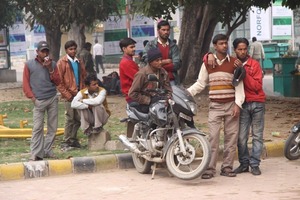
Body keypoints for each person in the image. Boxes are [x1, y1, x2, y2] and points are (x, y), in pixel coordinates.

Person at [187, 34, 245, 179]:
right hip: (215, 106)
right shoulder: (208, 63)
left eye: (226, 43)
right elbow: (201, 83)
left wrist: (238, 104)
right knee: (213, 138)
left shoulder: (235, 63)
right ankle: (210, 168)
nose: (224, 46)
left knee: (231, 139)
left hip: (231, 105)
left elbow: (239, 86)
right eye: (221, 44)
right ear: (215, 46)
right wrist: (187, 93)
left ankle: (227, 167)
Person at [231, 38, 266, 176]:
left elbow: (256, 86)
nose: (242, 51)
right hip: (242, 104)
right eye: (239, 49)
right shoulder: (233, 64)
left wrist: (243, 72)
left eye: (244, 49)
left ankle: (255, 164)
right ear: (235, 50)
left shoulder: (254, 64)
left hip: (257, 103)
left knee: (257, 136)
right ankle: (244, 164)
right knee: (241, 137)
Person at [23, 41, 61, 160]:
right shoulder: (29, 64)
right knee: (37, 127)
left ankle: (47, 150)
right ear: (37, 52)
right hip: (39, 100)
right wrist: (33, 98)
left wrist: (50, 68)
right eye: (42, 51)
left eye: (46, 51)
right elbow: (25, 84)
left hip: (52, 98)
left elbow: (57, 81)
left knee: (52, 127)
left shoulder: (53, 64)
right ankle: (35, 153)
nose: (45, 53)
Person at [57, 40, 87, 150]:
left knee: (78, 119)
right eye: (70, 49)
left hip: (79, 94)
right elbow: (58, 81)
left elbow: (84, 76)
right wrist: (67, 95)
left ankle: (73, 139)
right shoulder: (61, 62)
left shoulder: (79, 61)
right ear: (66, 50)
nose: (73, 51)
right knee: (70, 118)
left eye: (74, 49)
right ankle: (66, 140)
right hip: (68, 95)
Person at [129, 48, 172, 113]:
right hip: (145, 103)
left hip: (160, 101)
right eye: (157, 60)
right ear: (150, 62)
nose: (160, 62)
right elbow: (132, 93)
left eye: (161, 60)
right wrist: (148, 100)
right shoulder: (142, 74)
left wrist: (168, 98)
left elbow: (168, 89)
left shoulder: (163, 72)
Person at [143, 20, 181, 85]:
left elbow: (177, 64)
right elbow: (147, 61)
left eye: (168, 30)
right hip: (154, 80)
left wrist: (157, 66)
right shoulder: (150, 45)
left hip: (171, 80)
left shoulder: (173, 46)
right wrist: (165, 61)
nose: (166, 32)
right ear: (158, 30)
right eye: (163, 30)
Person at [119, 37, 139, 103]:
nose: (134, 49)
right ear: (124, 49)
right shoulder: (126, 62)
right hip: (134, 96)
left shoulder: (128, 60)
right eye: (131, 47)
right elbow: (139, 78)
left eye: (134, 47)